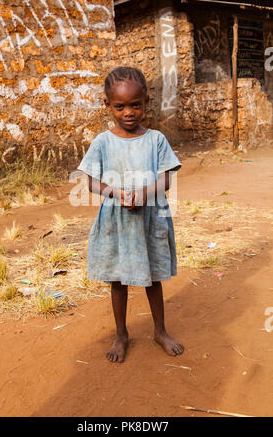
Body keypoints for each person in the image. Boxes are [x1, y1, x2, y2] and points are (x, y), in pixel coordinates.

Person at [77, 66, 184, 363]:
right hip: (117, 221)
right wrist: (117, 193)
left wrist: (144, 193)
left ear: (146, 102)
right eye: (120, 106)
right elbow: (91, 181)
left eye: (135, 105)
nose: (128, 112)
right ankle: (121, 334)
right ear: (107, 104)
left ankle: (160, 331)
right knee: (118, 280)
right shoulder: (102, 142)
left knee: (153, 278)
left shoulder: (156, 140)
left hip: (150, 218)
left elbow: (166, 179)